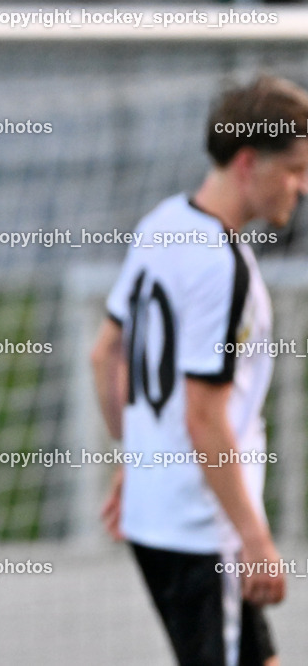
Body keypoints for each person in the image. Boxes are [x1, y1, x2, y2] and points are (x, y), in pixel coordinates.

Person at [91, 75, 308, 666]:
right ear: (247, 162)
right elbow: (204, 416)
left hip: (157, 517)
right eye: (294, 169)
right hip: (200, 526)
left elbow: (104, 354)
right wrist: (257, 540)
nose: (303, 186)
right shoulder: (222, 267)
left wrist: (136, 454)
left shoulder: (162, 222)